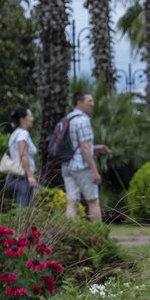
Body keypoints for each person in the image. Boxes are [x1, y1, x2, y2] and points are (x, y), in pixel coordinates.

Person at [62, 91, 109, 221]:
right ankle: (99, 236)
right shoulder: (83, 120)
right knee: (93, 201)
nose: (93, 104)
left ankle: (68, 234)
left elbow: (76, 145)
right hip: (81, 166)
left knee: (72, 201)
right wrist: (94, 171)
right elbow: (84, 148)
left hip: (67, 165)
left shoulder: (68, 118)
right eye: (89, 101)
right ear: (80, 103)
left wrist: (96, 148)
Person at [6, 107, 38, 207]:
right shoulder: (22, 134)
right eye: (30, 116)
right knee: (23, 211)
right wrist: (30, 176)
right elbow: (23, 155)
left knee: (22, 209)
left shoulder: (14, 134)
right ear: (22, 119)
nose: (32, 119)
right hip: (23, 178)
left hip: (14, 176)